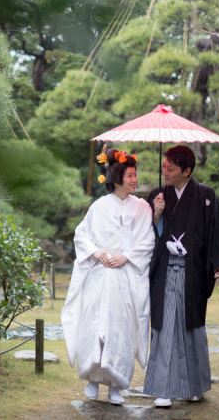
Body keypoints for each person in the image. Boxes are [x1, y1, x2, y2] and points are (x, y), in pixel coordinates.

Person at [61, 150, 156, 405]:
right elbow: (81, 235)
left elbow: (148, 241)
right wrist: (98, 252)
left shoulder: (142, 207)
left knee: (121, 330)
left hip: (125, 278)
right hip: (100, 277)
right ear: (117, 178)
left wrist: (126, 257)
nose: (135, 179)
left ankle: (116, 385)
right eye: (130, 175)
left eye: (136, 175)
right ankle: (92, 379)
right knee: (96, 328)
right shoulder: (99, 207)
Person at [143, 145, 219, 407]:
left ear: (187, 171)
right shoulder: (156, 195)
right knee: (165, 328)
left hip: (193, 272)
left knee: (192, 328)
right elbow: (148, 236)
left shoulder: (206, 194)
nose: (165, 172)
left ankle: (195, 386)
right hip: (165, 272)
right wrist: (157, 213)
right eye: (164, 167)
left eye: (170, 168)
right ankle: (164, 388)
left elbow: (216, 229)